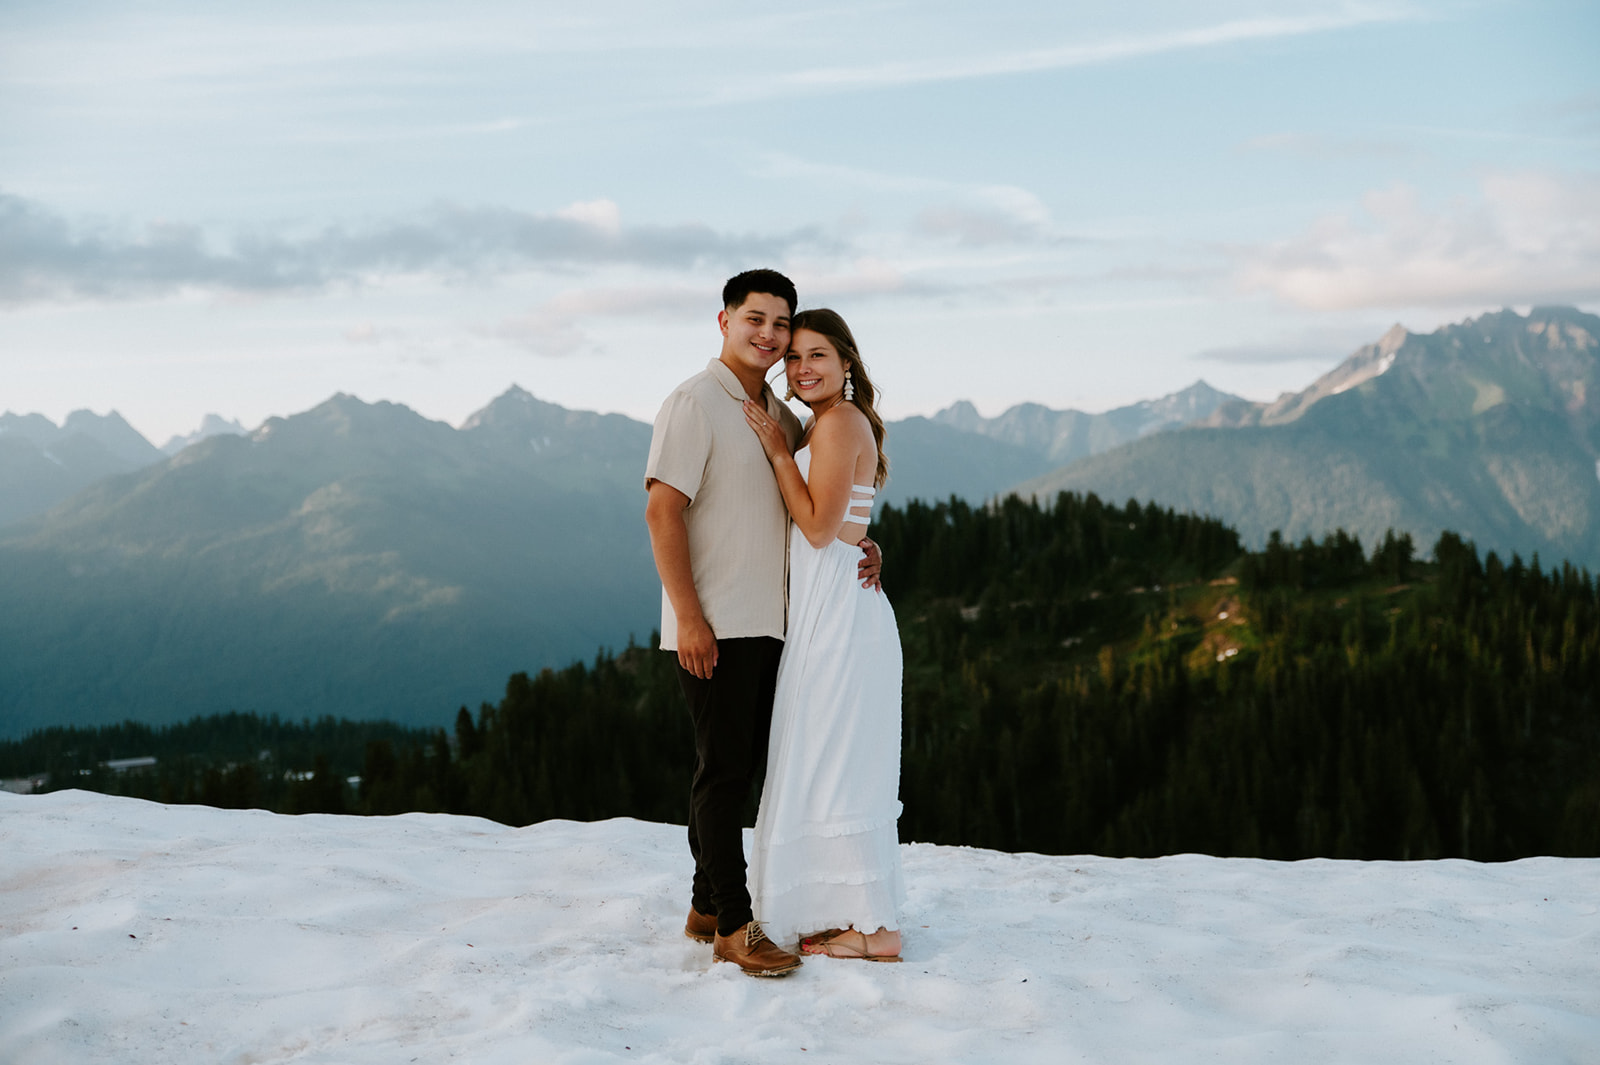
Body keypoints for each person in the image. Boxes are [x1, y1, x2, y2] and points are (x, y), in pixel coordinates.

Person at [643, 271, 881, 978]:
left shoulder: (778, 411)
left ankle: (705, 906)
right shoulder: (694, 402)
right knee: (722, 772)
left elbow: (814, 501)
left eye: (782, 324)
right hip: (716, 619)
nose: (770, 334)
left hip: (778, 620)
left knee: (741, 767)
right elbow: (662, 511)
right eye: (757, 318)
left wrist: (863, 540)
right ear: (724, 320)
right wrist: (688, 616)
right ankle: (737, 925)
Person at [743, 308, 906, 962]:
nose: (802, 367)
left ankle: (873, 928)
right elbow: (838, 525)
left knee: (834, 762)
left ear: (846, 365)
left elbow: (814, 527)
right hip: (835, 603)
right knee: (830, 759)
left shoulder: (837, 423)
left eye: (817, 355)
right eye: (795, 357)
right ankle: (857, 918)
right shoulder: (830, 423)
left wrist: (779, 452)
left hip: (840, 614)